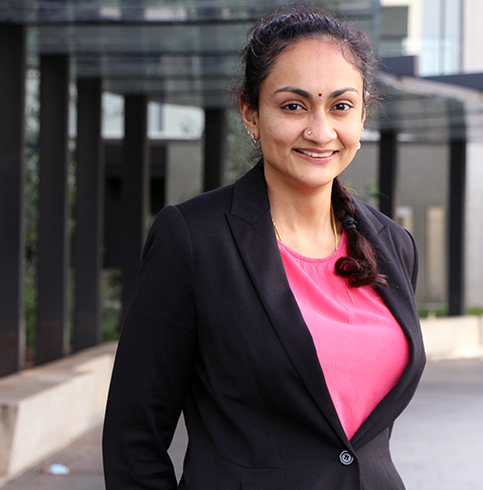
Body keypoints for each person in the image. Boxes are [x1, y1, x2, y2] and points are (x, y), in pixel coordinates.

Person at [102, 7, 426, 490]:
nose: (320, 132)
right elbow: (134, 437)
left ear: (362, 112)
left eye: (340, 106)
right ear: (250, 111)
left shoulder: (393, 245)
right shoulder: (193, 240)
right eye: (293, 106)